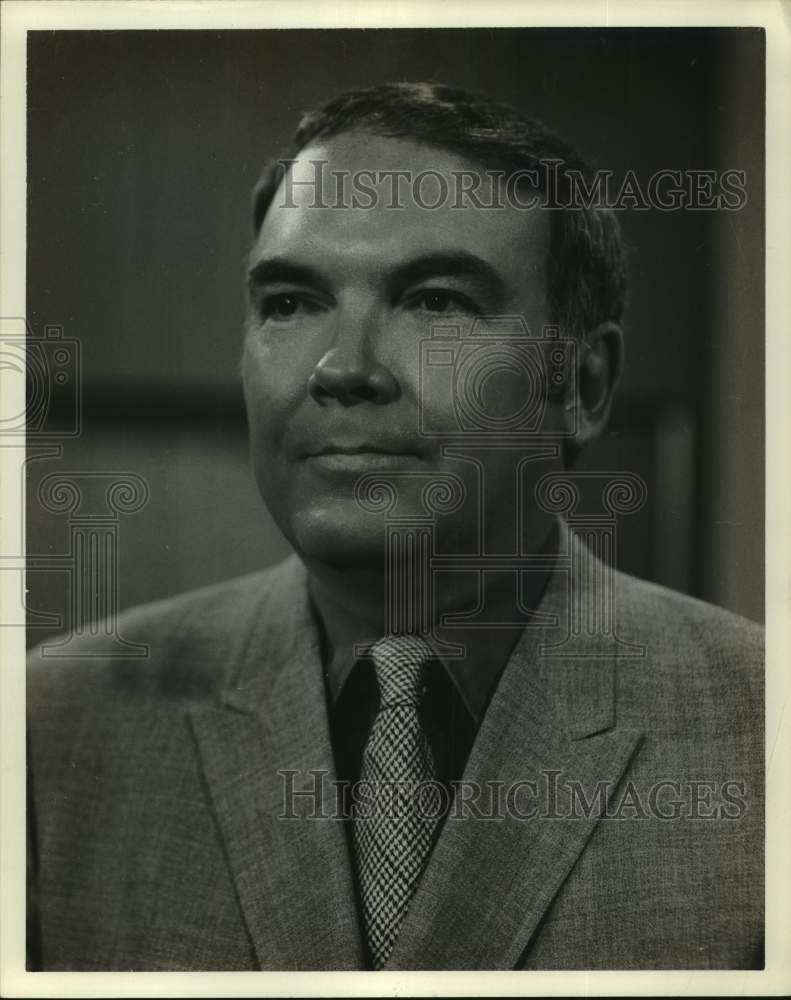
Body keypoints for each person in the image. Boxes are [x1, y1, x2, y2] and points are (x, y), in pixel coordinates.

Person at [27, 83, 763, 971]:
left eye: (435, 302)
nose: (343, 369)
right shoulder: (51, 729)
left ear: (581, 384)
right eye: (290, 303)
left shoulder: (760, 730)